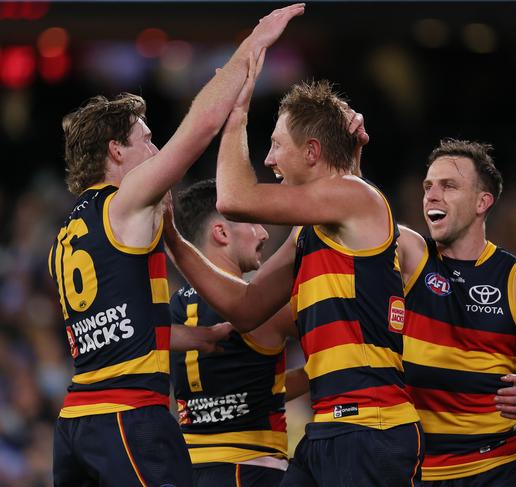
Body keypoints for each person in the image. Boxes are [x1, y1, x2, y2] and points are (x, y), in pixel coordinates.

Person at [47, 5, 304, 486]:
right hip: (127, 416)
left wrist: (194, 338)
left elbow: (118, 328)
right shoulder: (125, 204)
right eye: (146, 141)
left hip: (76, 420)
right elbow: (201, 127)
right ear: (114, 152)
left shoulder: (68, 230)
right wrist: (252, 46)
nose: (157, 152)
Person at [163, 67, 422, 485]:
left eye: (276, 145)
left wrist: (237, 113)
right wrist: (173, 239)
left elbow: (232, 198)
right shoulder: (310, 230)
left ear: (312, 151)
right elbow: (246, 308)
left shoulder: (357, 197)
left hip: (369, 426)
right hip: (327, 430)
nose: (268, 159)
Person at [397, 139, 516, 486]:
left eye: (449, 186)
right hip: (415, 472)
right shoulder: (411, 254)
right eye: (428, 186)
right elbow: (358, 212)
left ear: (482, 202)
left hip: (493, 471)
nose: (432, 195)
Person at [169, 179, 309, 487]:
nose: (264, 233)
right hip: (252, 471)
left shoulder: (173, 309)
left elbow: (253, 392)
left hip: (188, 472)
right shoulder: (263, 309)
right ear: (221, 233)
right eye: (254, 223)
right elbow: (337, 336)